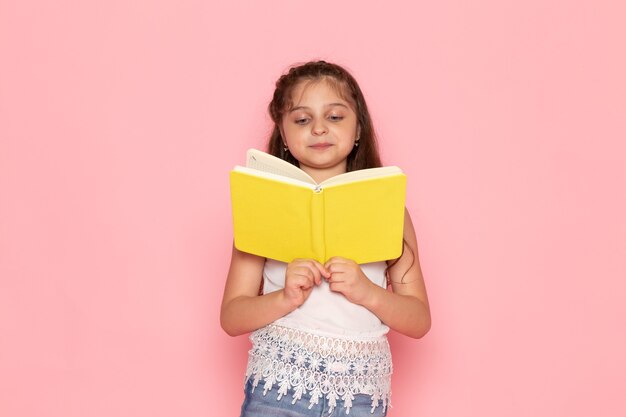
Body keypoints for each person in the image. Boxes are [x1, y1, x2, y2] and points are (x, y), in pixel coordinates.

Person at [221, 60, 431, 417]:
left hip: (358, 394)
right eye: (302, 120)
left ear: (358, 128)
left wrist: (367, 291)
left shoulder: (388, 208)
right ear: (284, 135)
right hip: (280, 387)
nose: (319, 128)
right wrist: (284, 298)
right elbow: (231, 316)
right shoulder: (263, 204)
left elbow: (419, 319)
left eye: (335, 117)